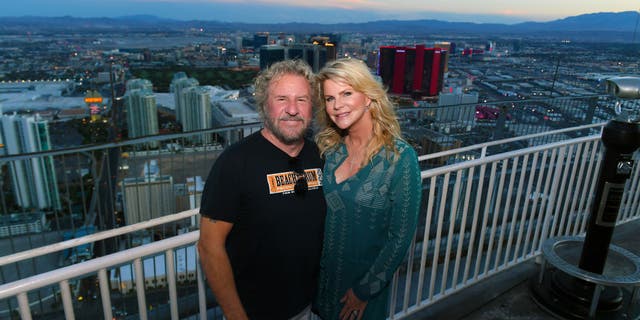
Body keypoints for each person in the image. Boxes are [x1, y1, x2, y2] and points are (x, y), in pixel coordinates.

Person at [197, 59, 326, 320]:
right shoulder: (234, 163)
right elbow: (209, 247)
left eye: (302, 99)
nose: (292, 109)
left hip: (309, 307)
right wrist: (236, 315)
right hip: (254, 313)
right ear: (264, 106)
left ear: (312, 107)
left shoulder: (321, 156)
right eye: (281, 99)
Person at [313, 58, 422, 320]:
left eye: (347, 93)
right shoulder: (330, 149)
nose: (337, 105)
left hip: (361, 292)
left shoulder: (400, 158)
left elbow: (400, 238)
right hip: (322, 285)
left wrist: (364, 291)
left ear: (369, 97)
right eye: (329, 98)